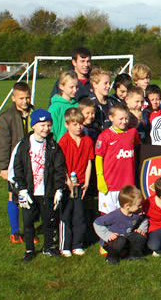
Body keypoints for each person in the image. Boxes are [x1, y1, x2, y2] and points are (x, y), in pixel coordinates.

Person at [12, 109, 66, 262]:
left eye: (48, 125)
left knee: (49, 220)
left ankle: (48, 247)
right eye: (42, 125)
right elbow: (18, 167)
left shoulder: (53, 146)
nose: (45, 128)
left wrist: (59, 189)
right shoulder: (24, 145)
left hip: (46, 191)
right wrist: (21, 188)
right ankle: (29, 249)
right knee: (28, 222)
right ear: (33, 126)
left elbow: (59, 169)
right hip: (29, 191)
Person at [0, 82, 33, 244]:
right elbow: (2, 143)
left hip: (32, 162)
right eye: (21, 98)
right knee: (14, 196)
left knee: (31, 196)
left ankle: (30, 230)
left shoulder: (34, 113)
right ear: (13, 98)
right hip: (14, 164)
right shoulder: (7, 117)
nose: (25, 101)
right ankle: (15, 231)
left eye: (27, 97)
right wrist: (4, 167)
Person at [57, 108, 93, 257]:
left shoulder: (87, 140)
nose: (78, 127)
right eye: (74, 124)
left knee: (79, 215)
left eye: (80, 124)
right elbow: (61, 164)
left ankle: (77, 244)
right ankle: (65, 245)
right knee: (66, 214)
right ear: (67, 125)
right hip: (67, 185)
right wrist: (67, 182)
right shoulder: (64, 141)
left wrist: (87, 182)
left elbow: (89, 162)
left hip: (81, 184)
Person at [95, 104, 140, 215]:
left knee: (127, 215)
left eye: (126, 118)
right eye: (120, 119)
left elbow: (139, 149)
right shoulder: (105, 136)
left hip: (127, 184)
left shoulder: (132, 133)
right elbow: (99, 157)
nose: (124, 121)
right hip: (110, 184)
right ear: (111, 118)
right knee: (108, 216)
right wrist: (100, 177)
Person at [93, 185, 148, 265]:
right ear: (127, 206)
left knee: (139, 237)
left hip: (126, 239)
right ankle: (111, 258)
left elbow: (144, 219)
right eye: (138, 205)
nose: (141, 207)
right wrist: (108, 235)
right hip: (114, 241)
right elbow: (97, 223)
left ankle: (134, 255)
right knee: (120, 241)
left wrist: (141, 229)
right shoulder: (114, 215)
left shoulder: (137, 214)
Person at [48, 71, 79, 141]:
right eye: (71, 87)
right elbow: (52, 131)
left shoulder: (77, 105)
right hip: (60, 147)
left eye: (76, 87)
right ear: (61, 86)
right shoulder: (55, 108)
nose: (75, 90)